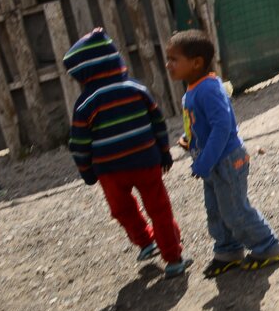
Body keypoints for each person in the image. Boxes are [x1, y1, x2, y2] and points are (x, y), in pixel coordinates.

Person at [63, 28, 192, 278]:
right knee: (160, 209)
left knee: (122, 209)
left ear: (86, 72)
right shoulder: (135, 88)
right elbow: (159, 122)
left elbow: (79, 143)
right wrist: (164, 152)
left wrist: (87, 171)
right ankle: (163, 250)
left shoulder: (87, 103)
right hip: (143, 162)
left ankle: (156, 247)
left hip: (112, 171)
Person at [165, 30, 279, 279]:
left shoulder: (208, 88)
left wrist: (205, 161)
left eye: (174, 59)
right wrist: (190, 140)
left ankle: (267, 247)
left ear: (196, 62)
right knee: (216, 210)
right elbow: (204, 124)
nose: (168, 65)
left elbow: (222, 127)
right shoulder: (194, 88)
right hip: (211, 161)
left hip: (226, 160)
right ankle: (228, 252)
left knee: (235, 210)